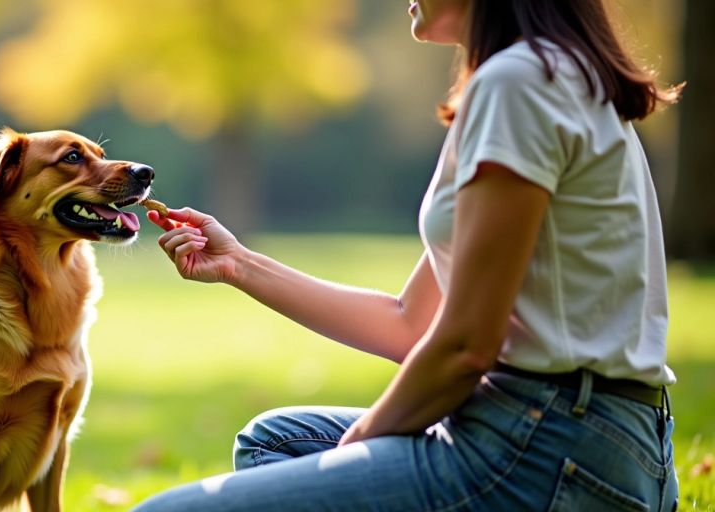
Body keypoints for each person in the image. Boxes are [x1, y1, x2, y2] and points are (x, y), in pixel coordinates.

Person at [133, 0, 683, 510]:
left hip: (550, 443)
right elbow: (412, 323)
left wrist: (359, 446)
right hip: (590, 435)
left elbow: (466, 347)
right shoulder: (549, 73)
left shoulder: (519, 83)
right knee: (277, 442)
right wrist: (239, 264)